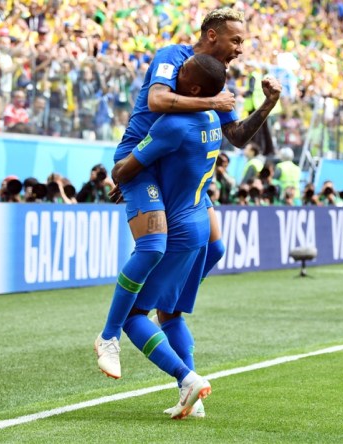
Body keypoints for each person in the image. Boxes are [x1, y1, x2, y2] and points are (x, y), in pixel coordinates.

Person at [95, 7, 281, 381]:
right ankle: (110, 336)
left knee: (214, 247)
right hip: (142, 160)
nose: (241, 49)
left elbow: (237, 137)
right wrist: (213, 103)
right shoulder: (174, 58)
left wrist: (267, 105)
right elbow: (158, 102)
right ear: (212, 35)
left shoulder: (216, 81)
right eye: (236, 40)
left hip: (174, 170)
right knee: (153, 248)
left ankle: (170, 305)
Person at [109, 53, 227, 419]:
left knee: (134, 316)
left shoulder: (173, 125)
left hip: (176, 229)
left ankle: (186, 377)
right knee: (171, 314)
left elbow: (123, 169)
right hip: (200, 225)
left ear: (192, 87)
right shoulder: (212, 118)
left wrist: (124, 177)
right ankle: (192, 399)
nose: (175, 73)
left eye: (183, 72)